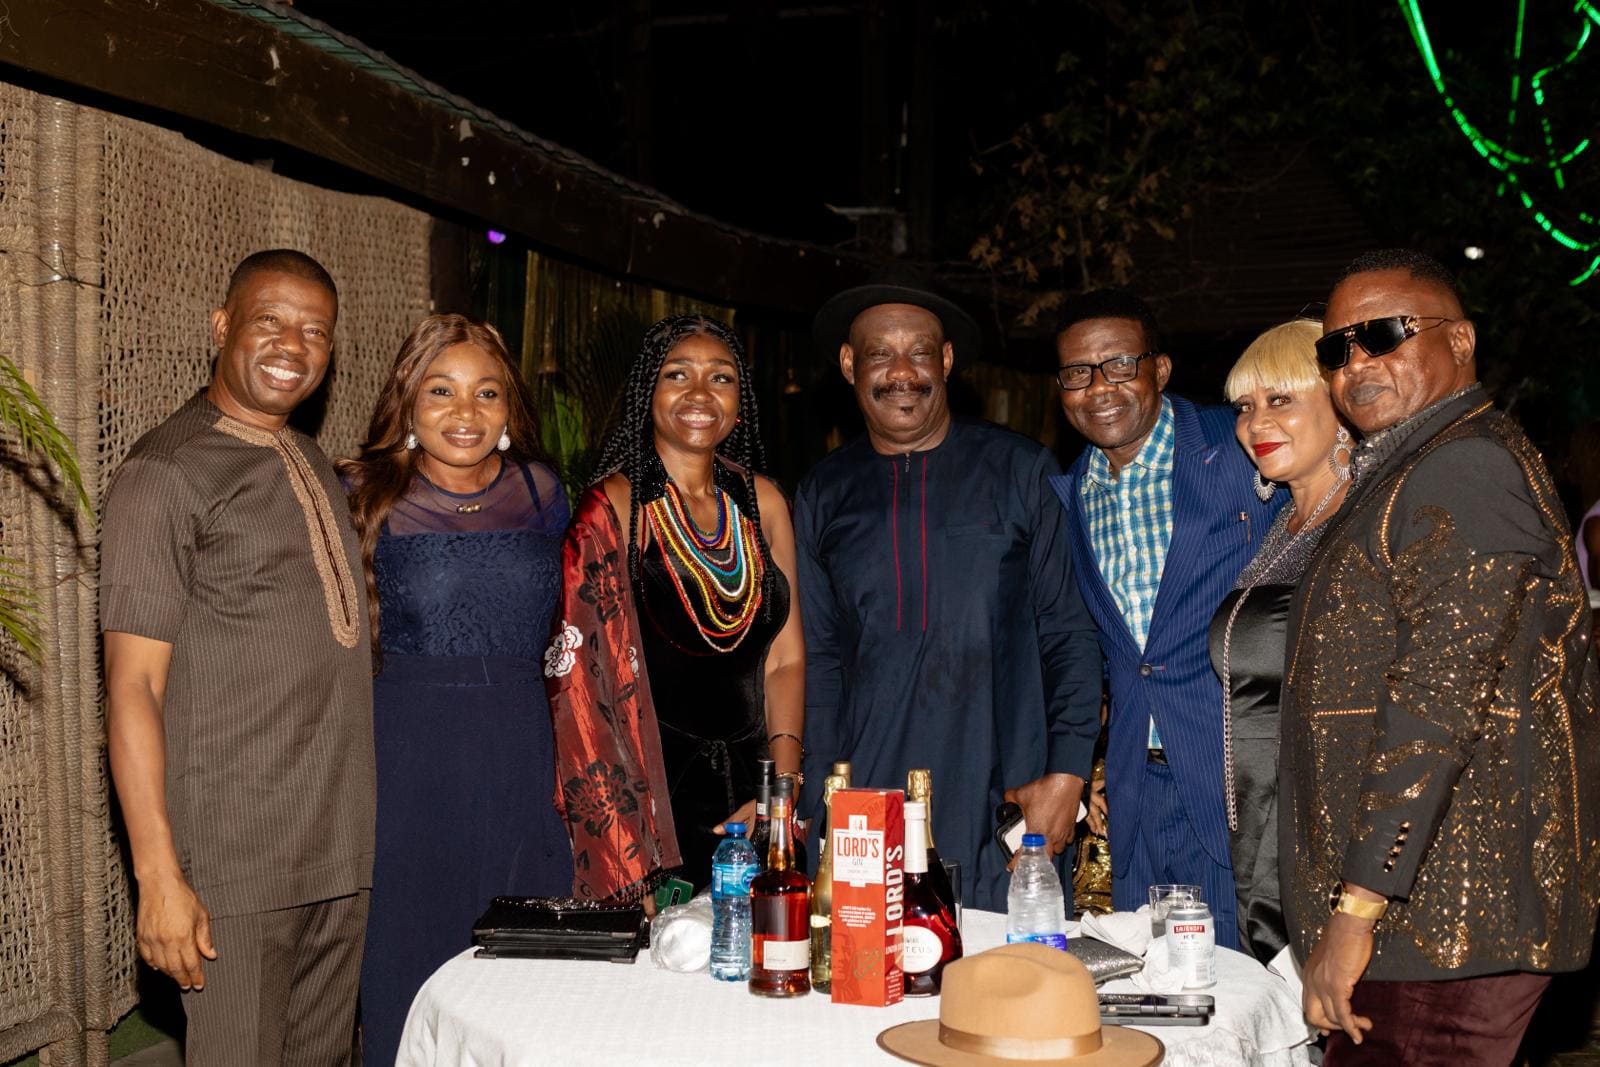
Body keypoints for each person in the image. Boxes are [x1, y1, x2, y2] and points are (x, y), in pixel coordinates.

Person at [1281, 248, 1600, 1064]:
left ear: (1459, 340)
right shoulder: (1420, 464)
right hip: (1428, 917)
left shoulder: (1464, 465)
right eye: (1335, 348)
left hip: (1443, 919)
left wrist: (1357, 908)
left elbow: (1437, 698)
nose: (1356, 363)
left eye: (1384, 334)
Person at [101, 250, 373, 1062]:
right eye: (270, 322)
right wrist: (158, 874)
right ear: (222, 327)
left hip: (338, 848)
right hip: (235, 864)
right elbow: (133, 688)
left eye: (315, 331)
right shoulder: (165, 472)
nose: (294, 345)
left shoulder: (310, 457)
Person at [796, 276, 1102, 913]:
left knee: (1010, 974)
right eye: (880, 354)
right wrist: (814, 809)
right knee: (862, 971)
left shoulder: (1022, 471)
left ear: (947, 361)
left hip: (1006, 802)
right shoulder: (823, 491)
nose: (901, 373)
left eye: (920, 353)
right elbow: (819, 662)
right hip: (868, 809)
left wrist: (1069, 774)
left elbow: (1069, 632)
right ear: (850, 365)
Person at [339, 314, 572, 1065]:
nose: (465, 412)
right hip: (407, 764)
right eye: (441, 390)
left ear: (509, 409)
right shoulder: (360, 493)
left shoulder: (542, 493)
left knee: (524, 983)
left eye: (486, 392)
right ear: (408, 401)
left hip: (521, 758)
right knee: (408, 974)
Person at [1049, 288, 1281, 951]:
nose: (1100, 387)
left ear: (1161, 369)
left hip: (1240, 780)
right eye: (1078, 372)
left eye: (1121, 364)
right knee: (1148, 983)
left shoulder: (1240, 446)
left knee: (1246, 986)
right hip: (1134, 789)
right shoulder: (1072, 491)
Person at [546, 314, 803, 899]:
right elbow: (582, 686)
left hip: (757, 793)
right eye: (678, 374)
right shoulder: (612, 507)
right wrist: (623, 847)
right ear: (648, 392)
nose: (700, 393)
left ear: (740, 402)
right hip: (652, 799)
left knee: (769, 943)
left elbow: (786, 659)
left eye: (721, 377)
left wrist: (782, 789)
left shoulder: (764, 503)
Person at [1206, 319, 1351, 963]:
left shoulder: (1363, 522)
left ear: (1341, 404)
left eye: (1281, 399)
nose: (1255, 422)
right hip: (1261, 833)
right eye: (1245, 406)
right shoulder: (1287, 523)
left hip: (1329, 841)